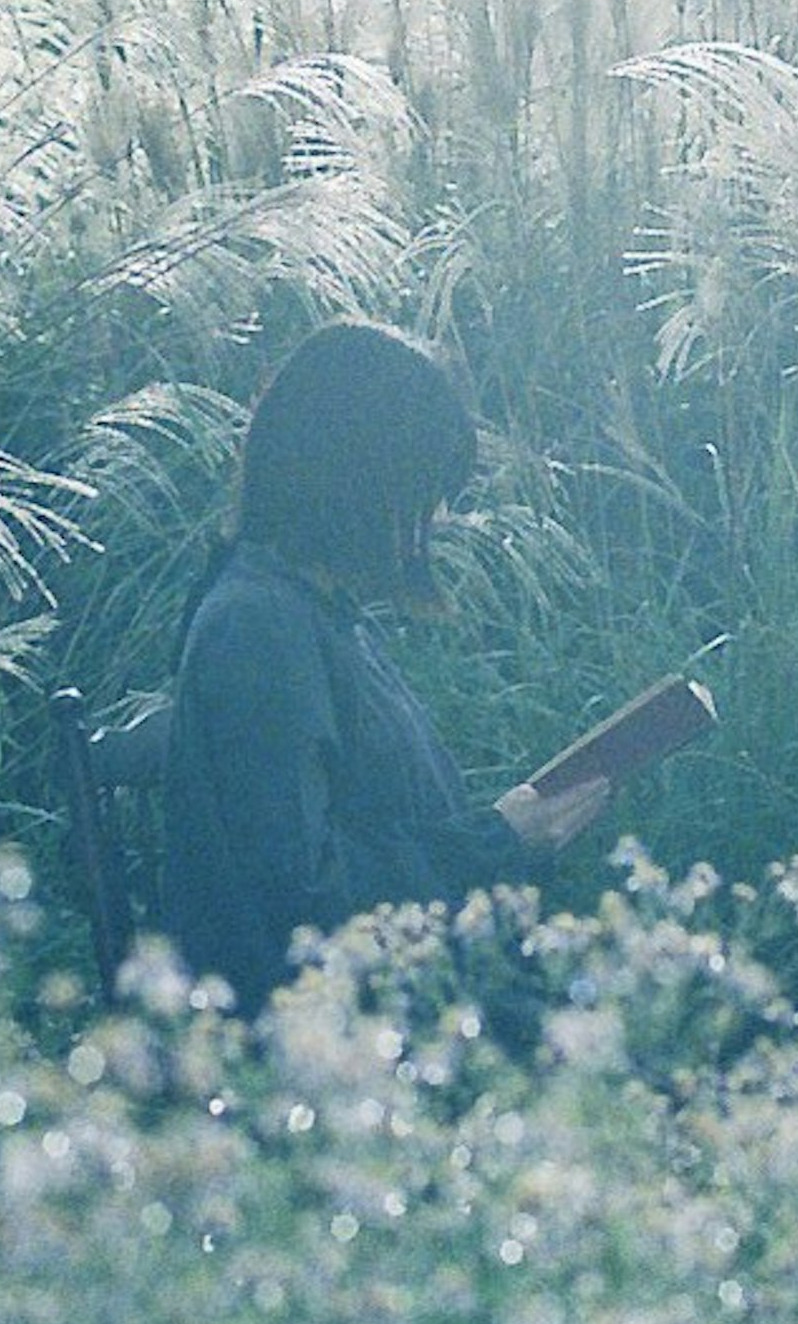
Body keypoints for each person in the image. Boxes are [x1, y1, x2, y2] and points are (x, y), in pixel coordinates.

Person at [154, 322, 610, 1004]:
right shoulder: (259, 629)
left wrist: (514, 837)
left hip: (400, 997)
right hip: (330, 1034)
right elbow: (303, 896)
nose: (439, 523)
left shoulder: (316, 616)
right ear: (360, 484)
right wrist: (496, 842)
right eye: (425, 492)